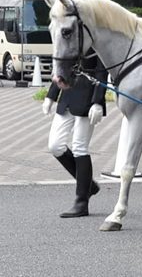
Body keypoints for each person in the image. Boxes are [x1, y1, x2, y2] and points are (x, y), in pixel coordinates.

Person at [42, 49, 108, 218]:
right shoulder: (69, 39)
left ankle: (81, 202)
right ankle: (88, 186)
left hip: (87, 100)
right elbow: (61, 69)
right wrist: (51, 96)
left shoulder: (94, 35)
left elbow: (102, 72)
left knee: (79, 147)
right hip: (67, 98)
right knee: (55, 146)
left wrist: (98, 102)